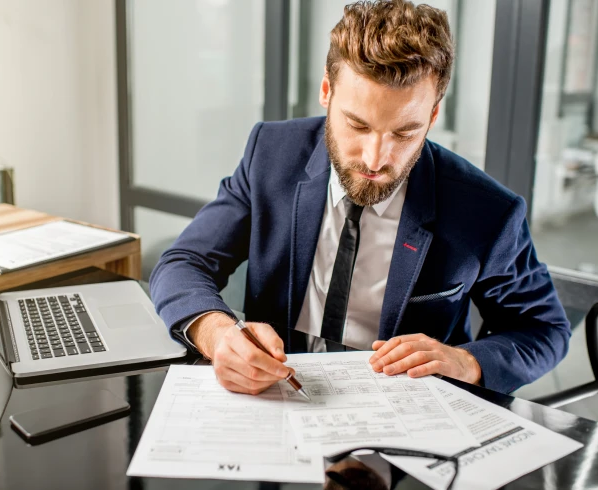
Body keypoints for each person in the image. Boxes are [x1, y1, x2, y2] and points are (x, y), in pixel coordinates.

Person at [150, 0, 570, 396]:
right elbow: (184, 261)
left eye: (404, 133)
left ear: (434, 115)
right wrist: (218, 333)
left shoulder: (486, 210)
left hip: (407, 422)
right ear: (327, 92)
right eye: (357, 125)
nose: (375, 158)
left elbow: (545, 330)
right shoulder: (271, 154)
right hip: (274, 398)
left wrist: (464, 361)